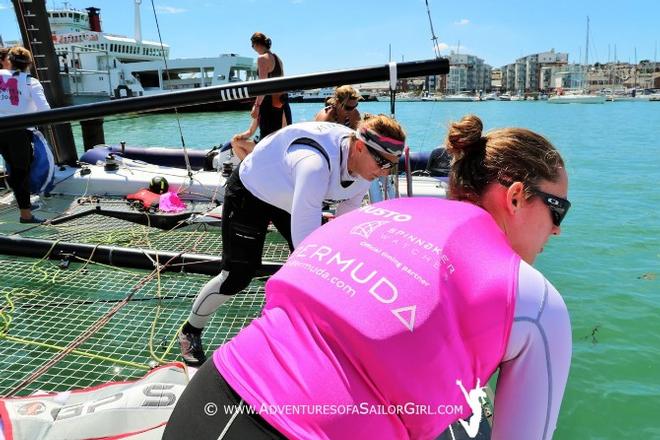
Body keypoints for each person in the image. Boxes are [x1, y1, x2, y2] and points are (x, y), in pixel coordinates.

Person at [165, 114, 572, 440]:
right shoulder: (536, 300)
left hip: (206, 400)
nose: (557, 230)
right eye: (558, 210)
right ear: (516, 196)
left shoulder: (373, 215)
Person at [178, 115, 405, 366]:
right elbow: (305, 249)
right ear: (360, 147)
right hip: (253, 191)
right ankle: (191, 330)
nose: (385, 172)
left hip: (292, 194)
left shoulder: (365, 171)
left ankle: (309, 336)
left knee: (328, 268)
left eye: (392, 166)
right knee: (238, 276)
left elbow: (342, 230)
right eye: (383, 162)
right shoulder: (314, 165)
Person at [0, 46, 51, 223]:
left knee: (13, 170)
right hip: (19, 132)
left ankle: (25, 204)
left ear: (10, 61)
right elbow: (45, 110)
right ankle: (26, 215)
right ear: (29, 63)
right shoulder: (31, 82)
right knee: (20, 171)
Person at [250, 32, 292, 140]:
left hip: (269, 105)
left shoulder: (262, 59)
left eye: (252, 45)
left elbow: (263, 86)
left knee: (267, 139)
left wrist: (257, 106)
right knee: (283, 138)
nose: (253, 48)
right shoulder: (278, 59)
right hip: (282, 103)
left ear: (257, 44)